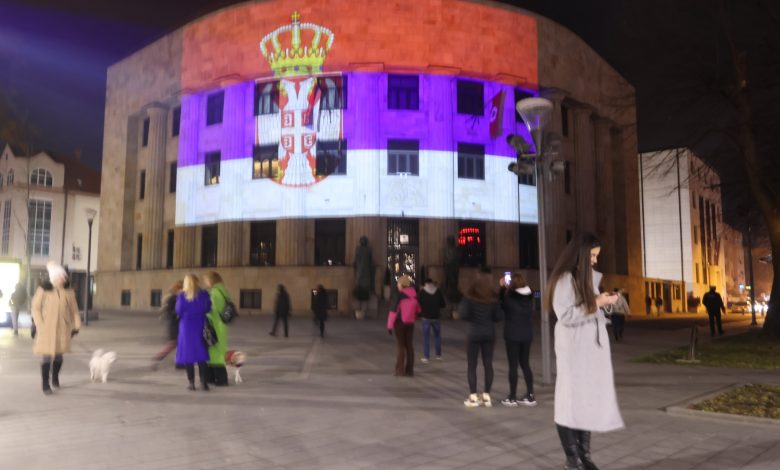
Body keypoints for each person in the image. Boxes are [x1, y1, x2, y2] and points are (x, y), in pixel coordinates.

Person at [546, 232, 624, 469]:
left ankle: (585, 456)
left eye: (596, 256)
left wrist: (606, 304)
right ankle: (573, 460)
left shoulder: (586, 279)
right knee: (569, 403)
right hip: (574, 350)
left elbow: (589, 311)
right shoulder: (564, 280)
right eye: (592, 255)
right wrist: (598, 302)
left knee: (586, 401)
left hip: (591, 350)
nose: (595, 260)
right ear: (579, 254)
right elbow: (566, 315)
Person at [31, 262, 81, 395]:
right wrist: (39, 324)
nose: (64, 279)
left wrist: (77, 326)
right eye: (61, 276)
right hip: (46, 328)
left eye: (65, 277)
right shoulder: (43, 290)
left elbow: (74, 311)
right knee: (46, 357)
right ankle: (45, 384)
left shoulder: (69, 292)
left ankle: (55, 376)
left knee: (59, 356)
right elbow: (35, 308)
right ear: (54, 277)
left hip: (62, 328)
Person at [459, 271, 504, 408]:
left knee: (472, 365)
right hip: (489, 333)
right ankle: (486, 396)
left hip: (474, 333)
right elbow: (498, 317)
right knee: (488, 364)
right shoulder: (493, 297)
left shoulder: (469, 297)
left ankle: (473, 396)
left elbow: (463, 314)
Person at [500, 272, 536, 407]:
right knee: (525, 363)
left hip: (512, 335)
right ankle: (530, 395)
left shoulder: (509, 298)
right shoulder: (530, 298)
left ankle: (512, 397)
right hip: (527, 335)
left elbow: (501, 305)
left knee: (513, 366)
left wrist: (502, 288)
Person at [175, 274, 211, 391]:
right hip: (200, 324)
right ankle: (204, 383)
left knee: (188, 355)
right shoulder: (204, 294)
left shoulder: (182, 296)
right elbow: (208, 308)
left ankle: (191, 383)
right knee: (201, 354)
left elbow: (178, 310)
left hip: (186, 327)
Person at [387, 275, 421, 376]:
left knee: (400, 346)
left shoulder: (399, 295)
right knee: (409, 346)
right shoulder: (414, 294)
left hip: (400, 323)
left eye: (398, 283)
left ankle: (399, 370)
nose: (397, 285)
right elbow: (419, 310)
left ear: (402, 284)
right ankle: (410, 370)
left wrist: (389, 326)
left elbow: (393, 312)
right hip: (410, 323)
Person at [203, 271, 230, 386]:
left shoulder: (214, 292)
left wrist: (204, 313)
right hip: (221, 326)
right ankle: (213, 377)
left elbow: (212, 310)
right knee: (217, 352)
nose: (205, 282)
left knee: (214, 352)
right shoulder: (223, 291)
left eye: (206, 280)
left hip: (214, 326)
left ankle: (220, 379)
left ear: (211, 280)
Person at [152, 280, 183, 369]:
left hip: (177, 324)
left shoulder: (178, 298)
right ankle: (159, 357)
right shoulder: (172, 298)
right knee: (173, 344)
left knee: (179, 344)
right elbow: (169, 312)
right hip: (174, 325)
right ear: (177, 289)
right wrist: (177, 314)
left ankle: (179, 362)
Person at [418, 278, 445, 363]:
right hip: (436, 317)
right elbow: (443, 304)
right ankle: (438, 355)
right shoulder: (438, 291)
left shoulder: (422, 292)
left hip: (426, 317)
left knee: (426, 337)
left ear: (425, 283)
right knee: (437, 336)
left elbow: (418, 303)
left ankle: (426, 357)